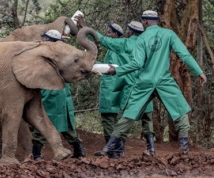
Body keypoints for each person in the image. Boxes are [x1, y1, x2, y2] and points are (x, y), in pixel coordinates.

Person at [98, 10, 207, 157]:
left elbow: (136, 64)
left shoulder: (141, 39)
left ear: (145, 22)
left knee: (129, 115)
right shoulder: (169, 34)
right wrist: (199, 72)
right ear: (156, 20)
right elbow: (184, 54)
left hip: (145, 82)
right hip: (164, 80)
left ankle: (108, 148)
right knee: (181, 111)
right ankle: (184, 149)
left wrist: (116, 71)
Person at [77, 15, 156, 157]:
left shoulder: (122, 44)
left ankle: (113, 150)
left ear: (129, 32)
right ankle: (150, 149)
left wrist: (84, 26)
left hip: (119, 84)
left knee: (114, 117)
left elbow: (101, 40)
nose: (108, 33)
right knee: (145, 117)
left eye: (110, 32)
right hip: (145, 85)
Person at [31, 29, 86, 160]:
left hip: (52, 92)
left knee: (44, 122)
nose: (43, 40)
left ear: (51, 41)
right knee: (65, 123)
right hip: (59, 92)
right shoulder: (64, 55)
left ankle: (36, 153)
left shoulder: (51, 56)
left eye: (46, 38)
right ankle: (79, 150)